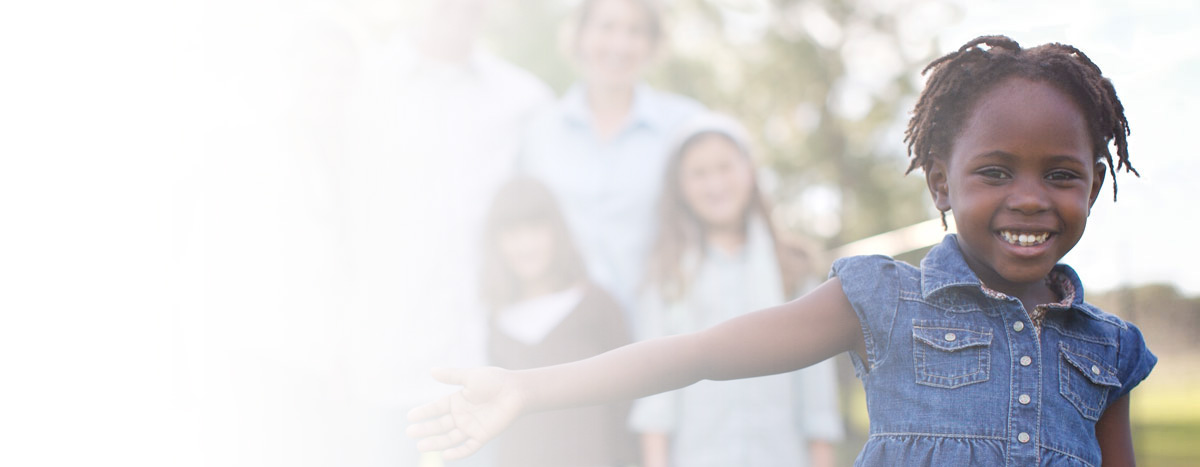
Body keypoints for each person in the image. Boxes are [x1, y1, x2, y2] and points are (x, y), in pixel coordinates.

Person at [407, 36, 1157, 466]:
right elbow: (698, 350)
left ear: (1094, 183)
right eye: (994, 172)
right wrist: (530, 387)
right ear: (940, 184)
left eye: (1061, 175)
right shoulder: (884, 300)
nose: (1030, 197)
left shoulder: (1109, 348)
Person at [631, 113, 842, 467]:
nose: (714, 184)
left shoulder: (792, 267)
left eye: (725, 167)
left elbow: (817, 397)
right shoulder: (666, 275)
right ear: (680, 186)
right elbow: (655, 395)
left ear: (749, 171)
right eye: (698, 173)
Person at [520, 0, 705, 313]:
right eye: (606, 27)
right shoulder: (539, 131)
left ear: (652, 45)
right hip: (567, 336)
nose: (620, 44)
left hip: (663, 329)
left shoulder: (684, 125)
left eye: (636, 31)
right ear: (580, 36)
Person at [478, 178, 636, 467]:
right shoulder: (497, 324)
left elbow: (628, 402)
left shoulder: (597, 306)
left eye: (535, 229)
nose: (525, 244)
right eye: (512, 232)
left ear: (556, 231)